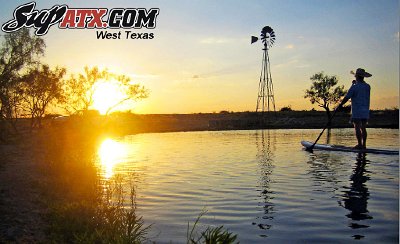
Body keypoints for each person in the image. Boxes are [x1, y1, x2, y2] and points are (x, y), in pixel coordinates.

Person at [338, 68, 372, 149]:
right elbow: (360, 89)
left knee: (357, 127)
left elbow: (347, 97)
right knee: (363, 127)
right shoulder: (367, 86)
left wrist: (340, 105)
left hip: (357, 110)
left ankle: (360, 144)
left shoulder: (354, 87)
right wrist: (354, 84)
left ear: (357, 76)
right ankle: (364, 145)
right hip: (365, 109)